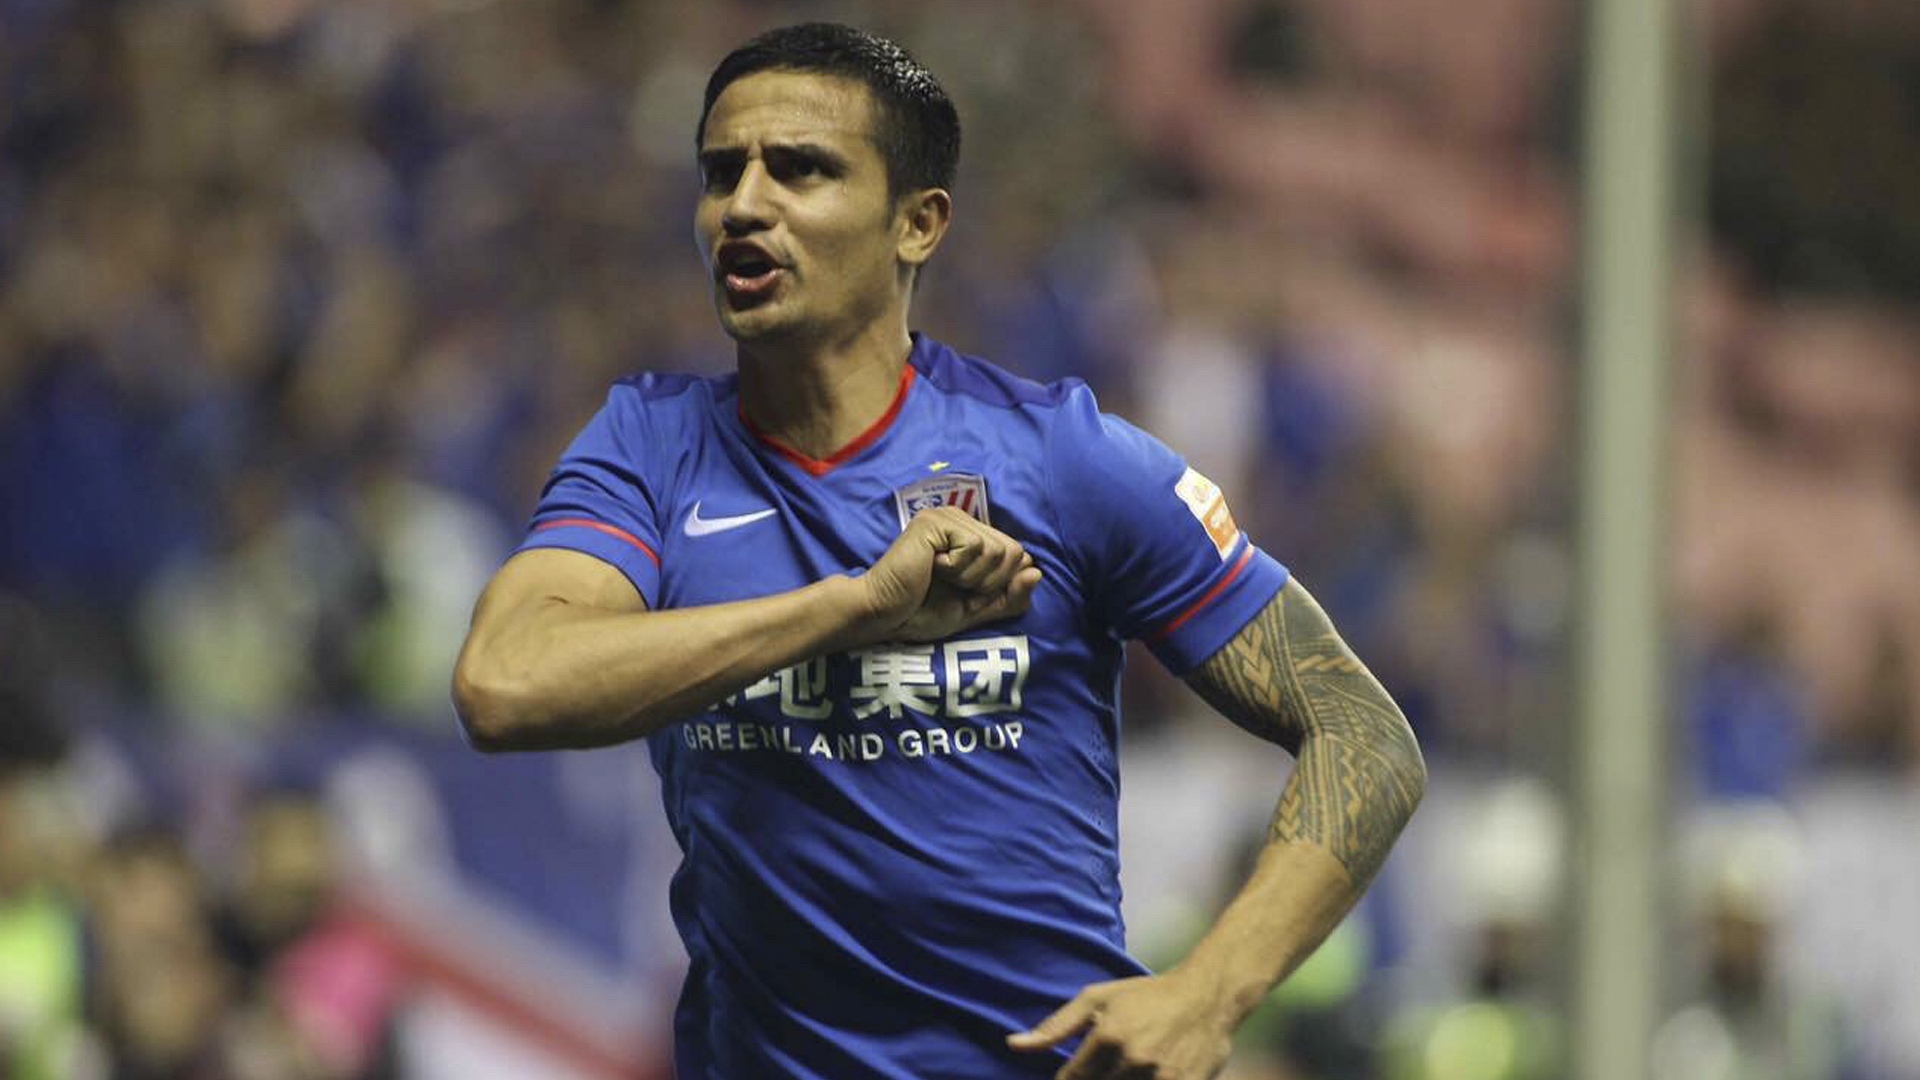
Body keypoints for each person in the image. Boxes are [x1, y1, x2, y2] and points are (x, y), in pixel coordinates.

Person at [452, 22, 1425, 1080]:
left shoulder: (1059, 459)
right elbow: (505, 685)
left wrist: (1208, 992)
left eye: (801, 169)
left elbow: (1363, 732)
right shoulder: (651, 447)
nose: (744, 205)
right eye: (722, 172)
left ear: (917, 224)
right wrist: (853, 609)